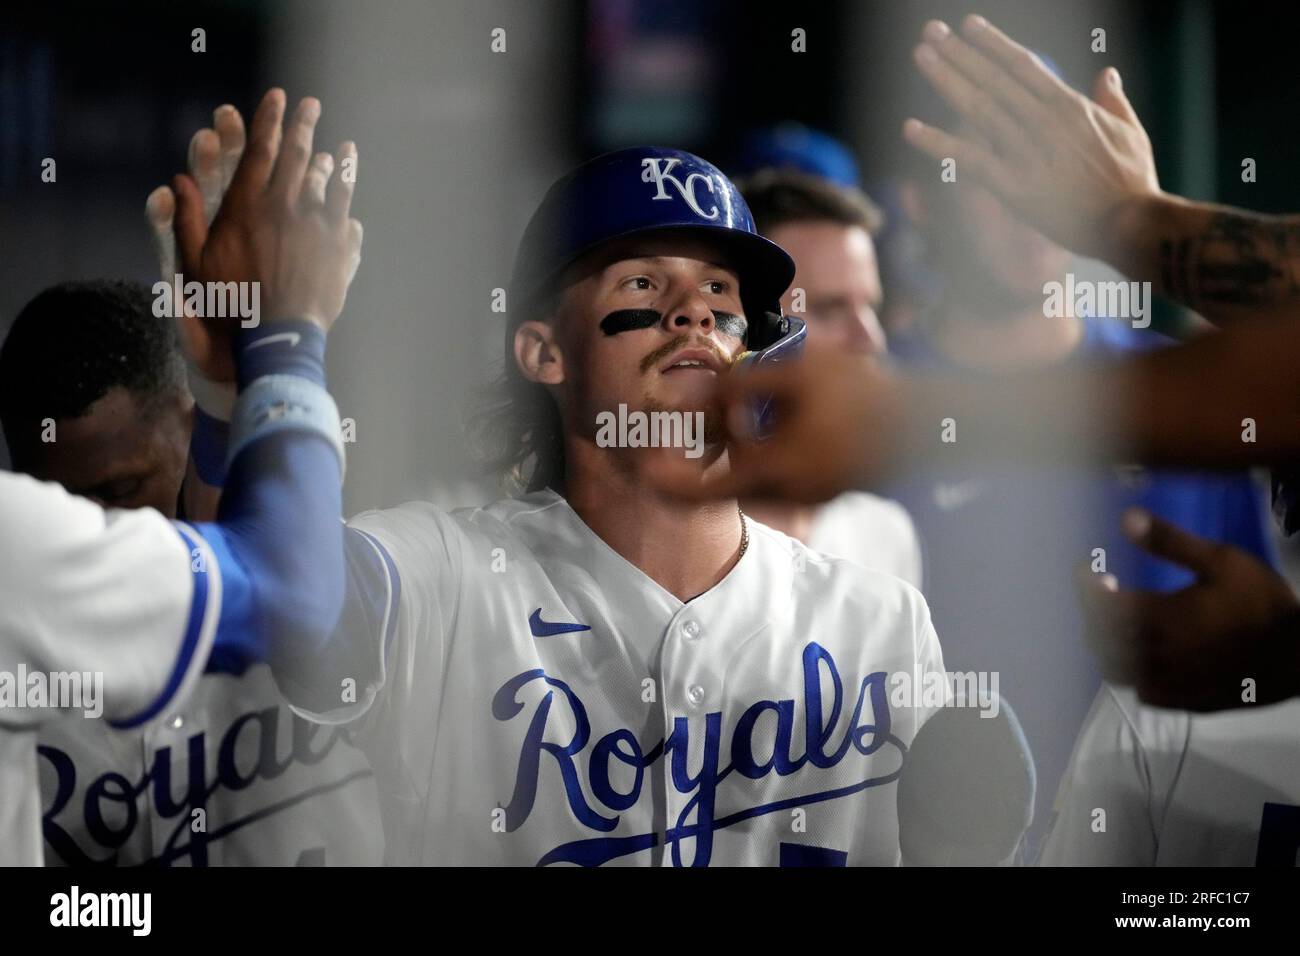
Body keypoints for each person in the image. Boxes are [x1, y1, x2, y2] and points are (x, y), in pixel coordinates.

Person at [252, 146, 946, 867]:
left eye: (719, 289)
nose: (694, 314)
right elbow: (302, 615)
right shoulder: (450, 579)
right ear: (545, 352)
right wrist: (280, 343)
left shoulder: (880, 624)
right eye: (643, 281)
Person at [0, 88, 361, 864]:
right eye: (65, 508)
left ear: (183, 423)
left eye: (123, 492)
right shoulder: (23, 568)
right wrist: (287, 332)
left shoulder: (360, 548)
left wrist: (229, 393)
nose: (98, 531)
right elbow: (289, 589)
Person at [735, 166, 922, 588]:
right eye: (829, 309)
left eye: (871, 307)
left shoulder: (884, 534)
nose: (869, 340)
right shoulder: (666, 539)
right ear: (743, 325)